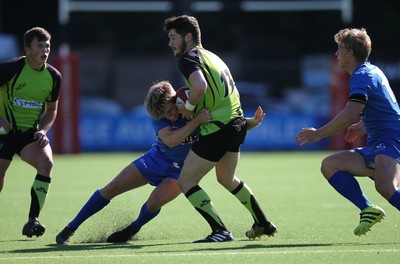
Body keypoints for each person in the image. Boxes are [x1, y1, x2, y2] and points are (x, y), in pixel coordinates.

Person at [55, 80, 266, 245]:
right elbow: (171, 141)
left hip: (181, 172)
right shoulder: (161, 114)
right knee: (112, 188)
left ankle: (133, 229)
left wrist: (251, 123)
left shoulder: (192, 103)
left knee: (153, 203)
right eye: (166, 115)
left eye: (171, 111)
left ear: (176, 99)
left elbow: (226, 126)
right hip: (156, 159)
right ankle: (70, 228)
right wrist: (196, 122)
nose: (171, 116)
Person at [163, 15, 276, 243]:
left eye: (173, 38)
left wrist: (188, 106)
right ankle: (263, 223)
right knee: (226, 178)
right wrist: (245, 123)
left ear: (188, 37)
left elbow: (200, 87)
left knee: (185, 181)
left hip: (218, 129)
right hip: (235, 125)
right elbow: (230, 97)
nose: (170, 43)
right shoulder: (214, 58)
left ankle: (220, 231)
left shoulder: (188, 59)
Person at [295, 28, 400, 236]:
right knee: (330, 165)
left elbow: (350, 113)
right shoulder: (371, 70)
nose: (336, 54)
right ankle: (368, 209)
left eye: (340, 49)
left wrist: (319, 134)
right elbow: (385, 107)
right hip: (381, 141)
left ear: (351, 53)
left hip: (391, 140)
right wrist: (364, 125)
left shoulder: (361, 76)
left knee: (385, 187)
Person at [0, 27, 62, 238]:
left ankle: (32, 220)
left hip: (29, 135)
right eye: (40, 46)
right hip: (3, 133)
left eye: (48, 46)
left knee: (47, 164)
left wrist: (43, 131)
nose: (45, 50)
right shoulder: (11, 69)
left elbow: (51, 110)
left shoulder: (54, 76)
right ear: (28, 49)